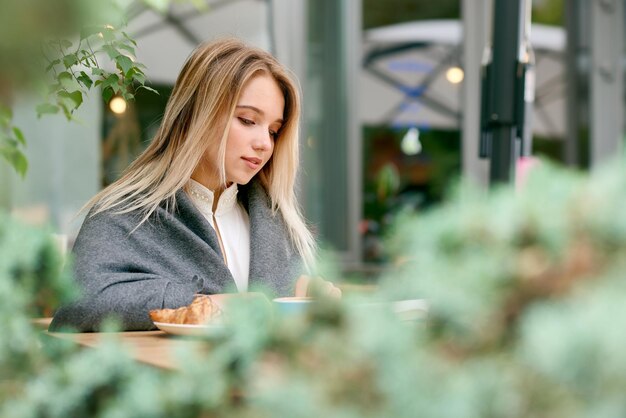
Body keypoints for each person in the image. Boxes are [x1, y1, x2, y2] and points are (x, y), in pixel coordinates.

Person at [50, 37, 340, 332]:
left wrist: (305, 292)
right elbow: (77, 304)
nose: (264, 143)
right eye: (248, 120)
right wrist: (205, 304)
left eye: (274, 131)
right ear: (197, 113)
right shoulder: (125, 213)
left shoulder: (280, 226)